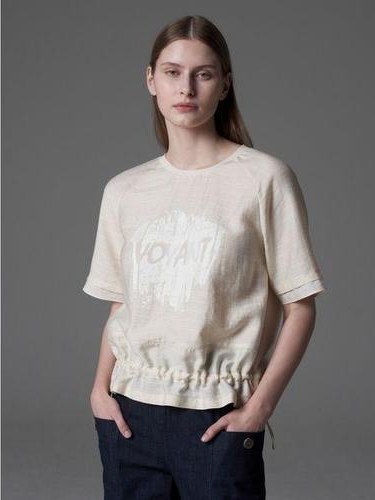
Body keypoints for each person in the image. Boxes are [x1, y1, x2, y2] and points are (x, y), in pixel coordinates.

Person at [83, 14, 327, 500]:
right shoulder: (124, 190)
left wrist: (260, 408)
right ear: (151, 80)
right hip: (127, 414)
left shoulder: (264, 179)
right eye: (172, 72)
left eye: (204, 74)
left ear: (225, 85)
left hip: (217, 416)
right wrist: (99, 391)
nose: (186, 88)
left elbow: (300, 306)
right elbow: (122, 303)